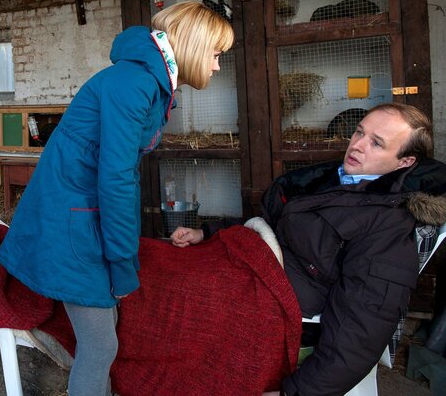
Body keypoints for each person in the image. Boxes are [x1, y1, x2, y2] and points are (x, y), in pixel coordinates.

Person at [0, 0, 234, 396]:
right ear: (194, 46)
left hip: (82, 212)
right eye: (215, 53)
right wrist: (122, 262)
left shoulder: (151, 83)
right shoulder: (135, 84)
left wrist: (123, 250)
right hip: (70, 220)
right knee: (100, 345)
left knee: (105, 336)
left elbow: (122, 174)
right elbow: (117, 178)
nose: (216, 66)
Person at [170, 102, 446, 396]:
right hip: (252, 262)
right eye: (359, 132)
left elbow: (362, 327)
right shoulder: (336, 179)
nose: (357, 145)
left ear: (405, 162)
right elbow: (274, 223)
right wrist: (208, 232)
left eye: (376, 143)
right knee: (165, 264)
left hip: (275, 300)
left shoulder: (387, 224)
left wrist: (296, 392)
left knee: (172, 298)